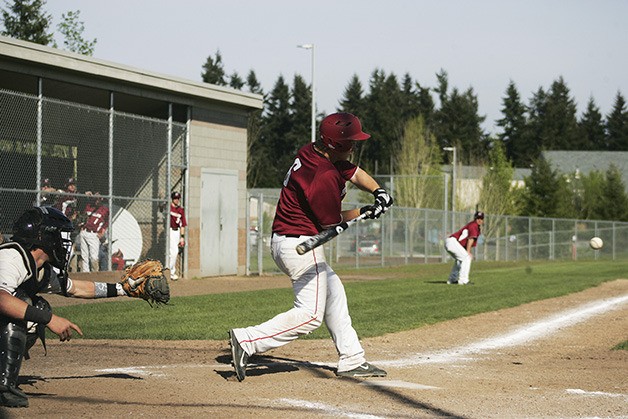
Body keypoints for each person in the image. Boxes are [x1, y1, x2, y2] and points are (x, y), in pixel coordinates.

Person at [228, 112, 394, 382]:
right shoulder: (323, 176)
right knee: (310, 316)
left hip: (288, 240)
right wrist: (364, 211)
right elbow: (333, 222)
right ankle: (248, 340)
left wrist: (378, 192)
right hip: (302, 244)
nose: (354, 145)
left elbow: (353, 172)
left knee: (334, 293)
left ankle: (352, 358)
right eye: (351, 142)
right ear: (336, 145)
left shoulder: (314, 152)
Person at [0, 206, 142, 408]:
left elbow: (76, 288)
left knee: (39, 308)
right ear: (45, 238)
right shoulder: (11, 257)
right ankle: (3, 387)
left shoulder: (40, 268)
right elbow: (2, 300)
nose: (64, 243)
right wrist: (50, 320)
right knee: (27, 306)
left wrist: (124, 289)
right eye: (59, 236)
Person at [444, 211, 485, 285]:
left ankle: (452, 279)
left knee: (460, 259)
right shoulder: (474, 225)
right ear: (475, 218)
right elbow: (470, 239)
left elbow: (467, 241)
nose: (479, 220)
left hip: (450, 242)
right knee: (466, 258)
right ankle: (463, 280)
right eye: (478, 218)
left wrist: (467, 251)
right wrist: (468, 252)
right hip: (452, 242)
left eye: (481, 218)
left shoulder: (474, 226)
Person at [79, 193, 109, 272]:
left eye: (98, 199)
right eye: (95, 199)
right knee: (84, 255)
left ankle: (94, 273)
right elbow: (83, 215)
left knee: (94, 256)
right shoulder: (89, 206)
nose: (96, 202)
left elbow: (106, 222)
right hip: (84, 231)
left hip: (93, 234)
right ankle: (85, 272)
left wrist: (102, 231)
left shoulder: (104, 210)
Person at [168, 191, 186, 280]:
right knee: (173, 252)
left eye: (178, 198)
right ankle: (170, 272)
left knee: (174, 253)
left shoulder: (181, 210)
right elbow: (160, 209)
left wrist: (182, 237)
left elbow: (183, 225)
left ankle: (171, 272)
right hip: (169, 230)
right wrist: (161, 199)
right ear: (172, 199)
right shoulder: (168, 207)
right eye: (175, 198)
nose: (177, 200)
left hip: (177, 232)